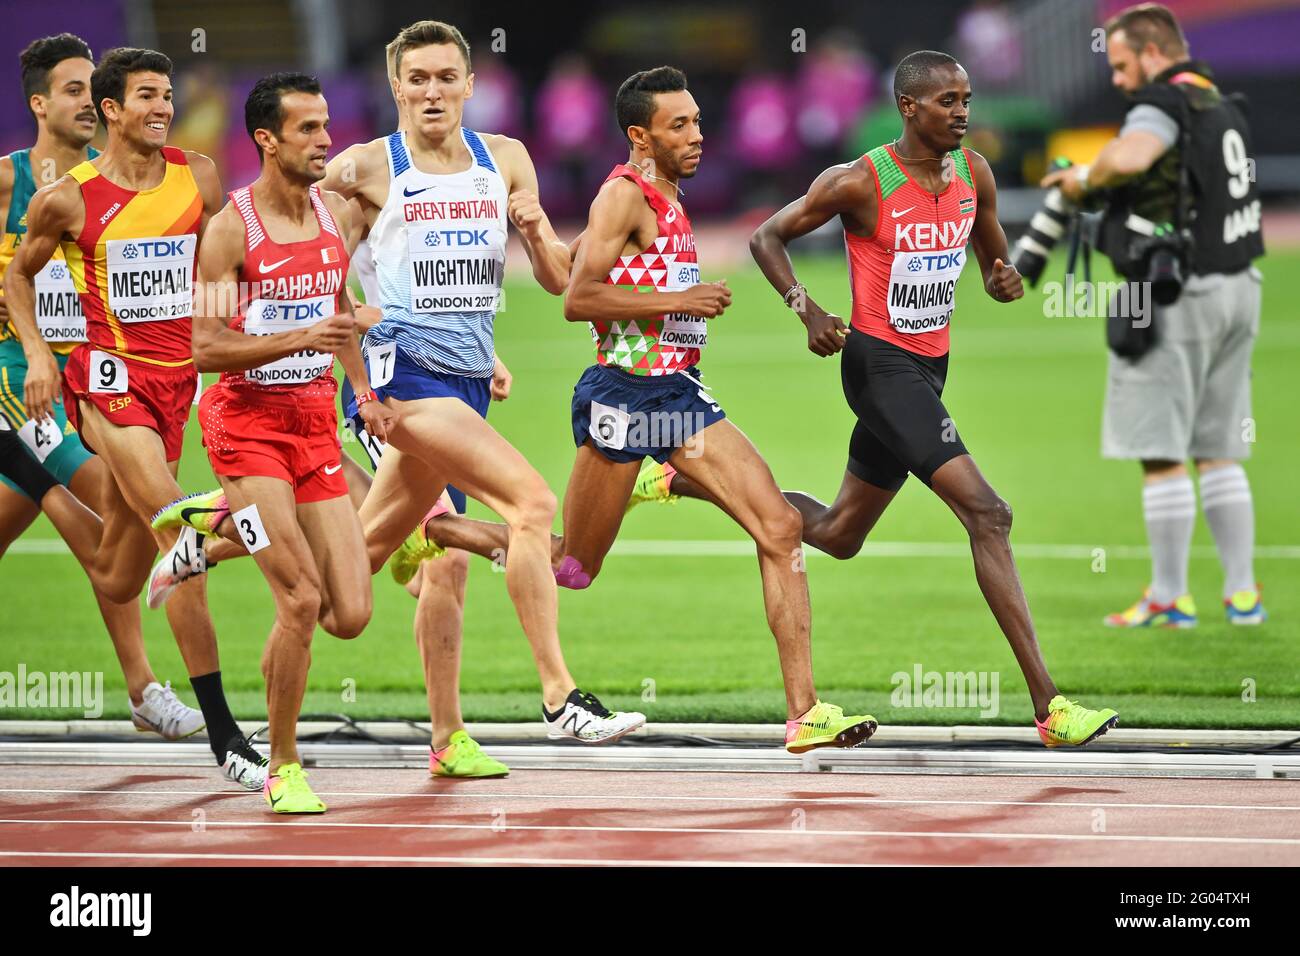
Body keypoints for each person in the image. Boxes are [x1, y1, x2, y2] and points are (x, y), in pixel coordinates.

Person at [655, 50, 1118, 746]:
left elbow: (995, 259)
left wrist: (1001, 278)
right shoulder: (860, 181)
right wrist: (807, 309)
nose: (963, 112)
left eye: (966, 99)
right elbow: (766, 236)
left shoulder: (974, 172)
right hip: (878, 367)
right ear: (909, 107)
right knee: (989, 514)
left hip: (931, 369)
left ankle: (677, 480)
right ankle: (1051, 708)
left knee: (841, 533)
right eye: (947, 102)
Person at [420, 66, 879, 754]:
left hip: (676, 394)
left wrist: (544, 237)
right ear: (641, 135)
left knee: (780, 527)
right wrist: (680, 301)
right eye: (679, 125)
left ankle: (805, 712)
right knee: (572, 567)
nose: (697, 135)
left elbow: (572, 270)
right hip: (622, 399)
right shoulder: (621, 196)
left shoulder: (666, 192)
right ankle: (440, 528)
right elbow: (580, 298)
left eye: (696, 121)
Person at [321, 19, 643, 742]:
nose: (431, 92)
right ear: (394, 85)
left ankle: (228, 525)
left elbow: (565, 285)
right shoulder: (366, 167)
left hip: (465, 381)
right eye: (416, 79)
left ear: (471, 84)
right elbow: (308, 263)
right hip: (402, 379)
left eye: (445, 78)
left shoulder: (505, 159)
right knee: (530, 504)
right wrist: (362, 331)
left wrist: (535, 234)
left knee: (350, 589)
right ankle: (561, 699)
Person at [4, 46, 266, 787]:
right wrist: (40, 355)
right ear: (112, 111)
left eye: (167, 95)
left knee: (120, 575)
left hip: (176, 381)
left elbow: (227, 258)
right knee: (178, 525)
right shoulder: (68, 198)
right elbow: (20, 278)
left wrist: (238, 315)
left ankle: (28, 471)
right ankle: (224, 732)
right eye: (145, 96)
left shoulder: (199, 176)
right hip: (108, 388)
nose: (162, 107)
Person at [160, 73, 394, 813]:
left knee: (349, 614)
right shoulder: (233, 229)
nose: (326, 140)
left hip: (314, 425)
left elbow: (339, 309)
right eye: (308, 130)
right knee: (299, 599)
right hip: (245, 429)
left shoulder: (334, 215)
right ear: (266, 138)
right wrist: (300, 338)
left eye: (326, 126)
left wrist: (362, 392)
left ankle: (214, 523)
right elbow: (203, 347)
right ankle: (281, 764)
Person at [0, 34, 202, 739]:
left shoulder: (120, 181)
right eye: (72, 89)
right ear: (39, 102)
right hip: (19, 377)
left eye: (95, 90)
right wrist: (30, 348)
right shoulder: (12, 181)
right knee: (123, 504)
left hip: (93, 377)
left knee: (95, 521)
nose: (88, 101)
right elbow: (17, 275)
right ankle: (147, 688)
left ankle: (144, 690)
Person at [1040, 3, 1266, 628]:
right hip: (1241, 285)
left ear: (1153, 52)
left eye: (1120, 64)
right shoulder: (1220, 101)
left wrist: (1084, 178)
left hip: (1178, 292)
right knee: (1219, 447)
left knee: (1161, 450)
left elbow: (1133, 156)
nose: (1116, 79)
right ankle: (1243, 595)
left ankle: (1169, 596)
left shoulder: (1162, 104)